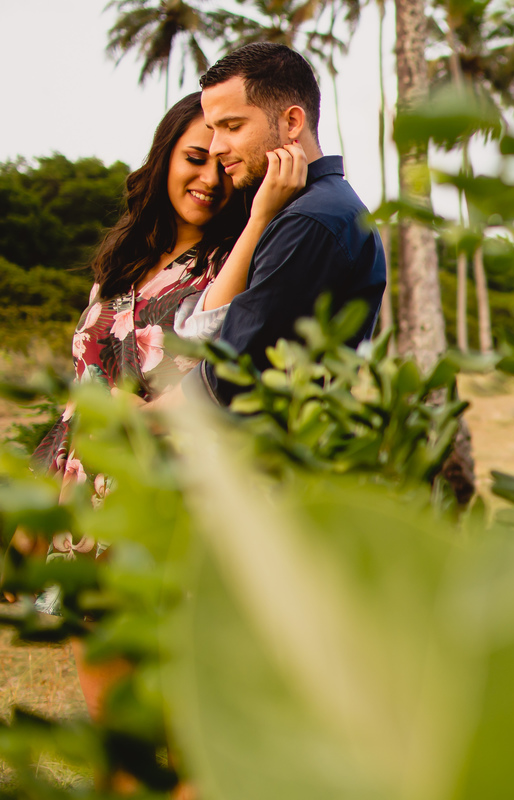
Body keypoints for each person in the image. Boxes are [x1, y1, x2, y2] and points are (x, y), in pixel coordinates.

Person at [27, 91, 306, 737]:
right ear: (164, 156)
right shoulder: (119, 267)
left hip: (176, 514)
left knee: (188, 738)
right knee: (117, 736)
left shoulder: (237, 262)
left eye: (222, 165)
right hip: (87, 522)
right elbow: (81, 393)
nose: (209, 179)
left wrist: (263, 213)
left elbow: (213, 343)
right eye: (193, 158)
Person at [180, 42, 387, 407]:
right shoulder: (316, 207)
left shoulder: (311, 220)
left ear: (292, 121)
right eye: (213, 129)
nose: (215, 147)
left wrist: (144, 416)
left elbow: (234, 369)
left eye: (232, 126)